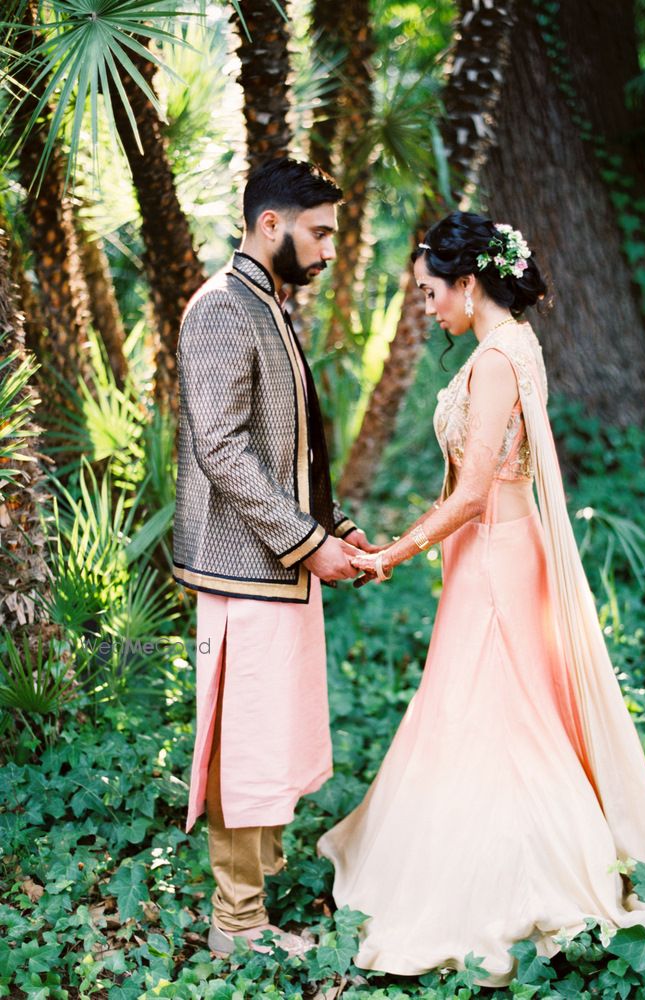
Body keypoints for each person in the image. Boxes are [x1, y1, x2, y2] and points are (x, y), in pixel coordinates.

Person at [318, 211, 645, 986]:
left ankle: (506, 876)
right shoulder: (516, 342)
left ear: (467, 281)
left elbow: (470, 493)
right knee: (491, 705)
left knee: (487, 712)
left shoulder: (495, 359)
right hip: (497, 548)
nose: (427, 307)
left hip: (492, 554)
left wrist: (391, 551)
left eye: (430, 292)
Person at [172, 157, 377, 958]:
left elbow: (290, 447)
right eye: (319, 231)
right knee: (244, 741)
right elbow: (222, 452)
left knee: (272, 733)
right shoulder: (221, 308)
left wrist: (337, 528)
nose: (329, 249)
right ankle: (236, 925)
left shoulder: (269, 306)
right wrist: (307, 543)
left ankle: (256, 891)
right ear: (270, 224)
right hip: (242, 568)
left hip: (278, 565)